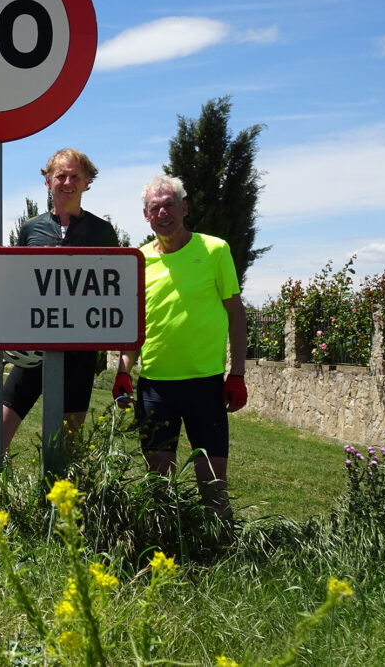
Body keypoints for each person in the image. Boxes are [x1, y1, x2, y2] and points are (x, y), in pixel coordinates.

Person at [112, 174, 247, 521]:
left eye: (168, 205)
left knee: (213, 486)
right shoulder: (138, 261)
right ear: (145, 216)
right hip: (154, 388)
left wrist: (237, 374)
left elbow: (236, 315)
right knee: (159, 487)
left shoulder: (215, 250)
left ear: (184, 207)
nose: (162, 213)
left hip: (205, 385)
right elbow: (133, 329)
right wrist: (123, 371)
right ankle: (167, 549)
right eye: (154, 208)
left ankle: (222, 549)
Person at [0, 148, 119, 459]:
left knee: (68, 448)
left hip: (80, 353)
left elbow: (113, 288)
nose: (67, 182)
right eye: (60, 176)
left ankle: (59, 503)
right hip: (34, 349)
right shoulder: (30, 229)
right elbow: (17, 285)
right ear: (47, 181)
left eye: (75, 177)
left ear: (87, 182)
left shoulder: (102, 231)